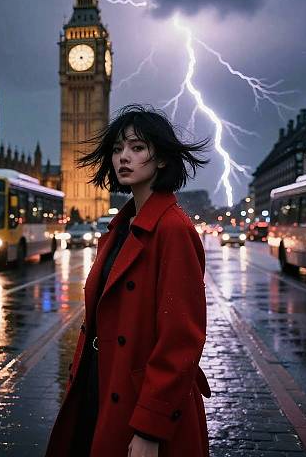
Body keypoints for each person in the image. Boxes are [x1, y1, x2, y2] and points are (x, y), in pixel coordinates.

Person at [46, 105, 211, 457]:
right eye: (118, 149)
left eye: (137, 148)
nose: (124, 157)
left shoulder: (173, 229)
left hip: (140, 405)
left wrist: (150, 427)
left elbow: (180, 339)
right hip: (102, 385)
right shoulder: (120, 228)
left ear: (162, 159)